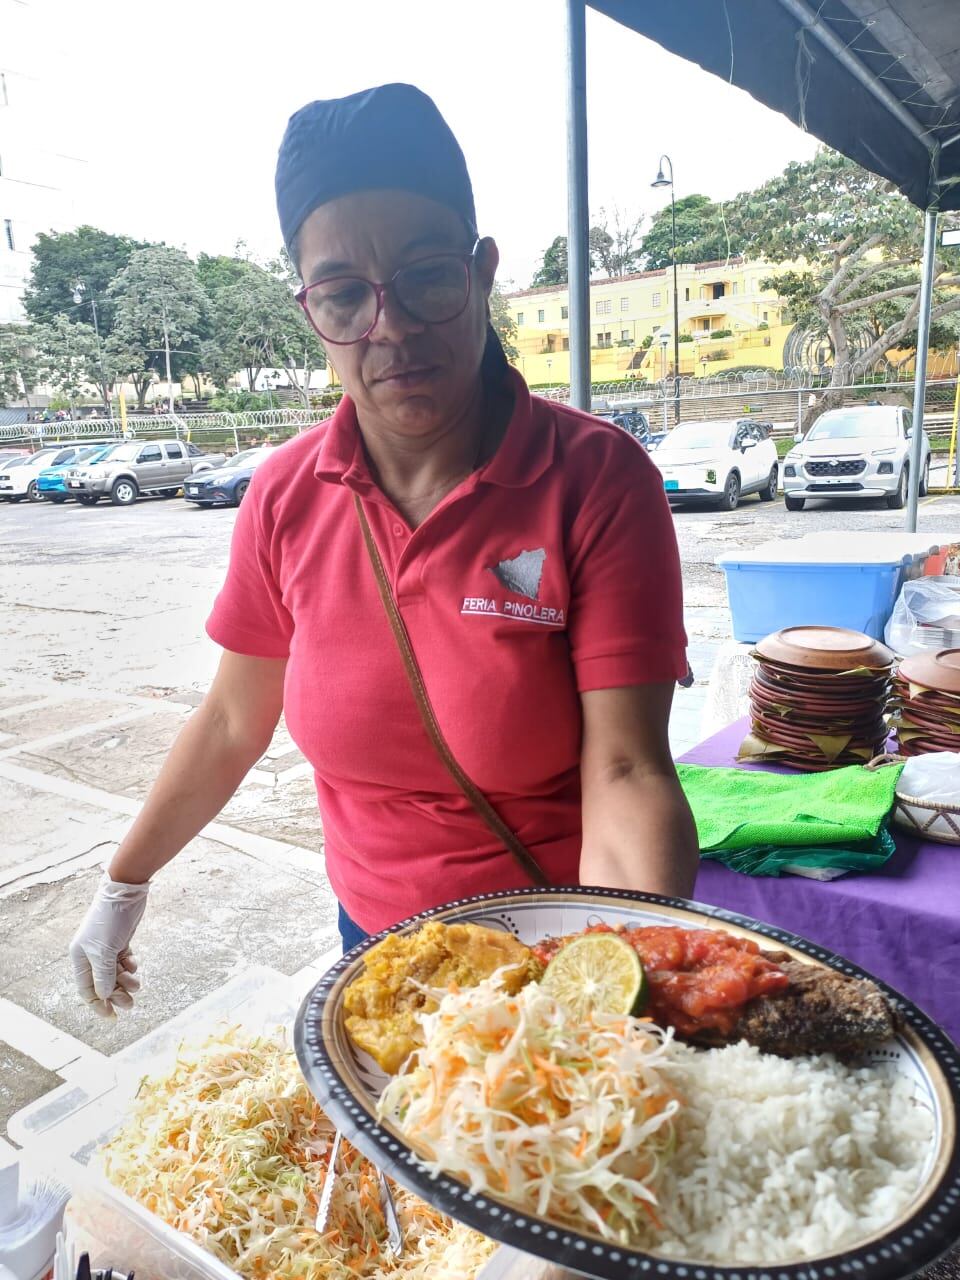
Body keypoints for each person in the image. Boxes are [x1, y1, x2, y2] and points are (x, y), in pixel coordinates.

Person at [69, 83, 698, 1017]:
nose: (391, 328)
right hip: (374, 948)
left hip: (553, 947)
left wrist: (622, 976)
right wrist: (124, 881)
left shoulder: (596, 480)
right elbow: (234, 719)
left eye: (427, 277)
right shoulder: (283, 495)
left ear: (482, 273)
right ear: (310, 312)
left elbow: (626, 769)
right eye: (344, 296)